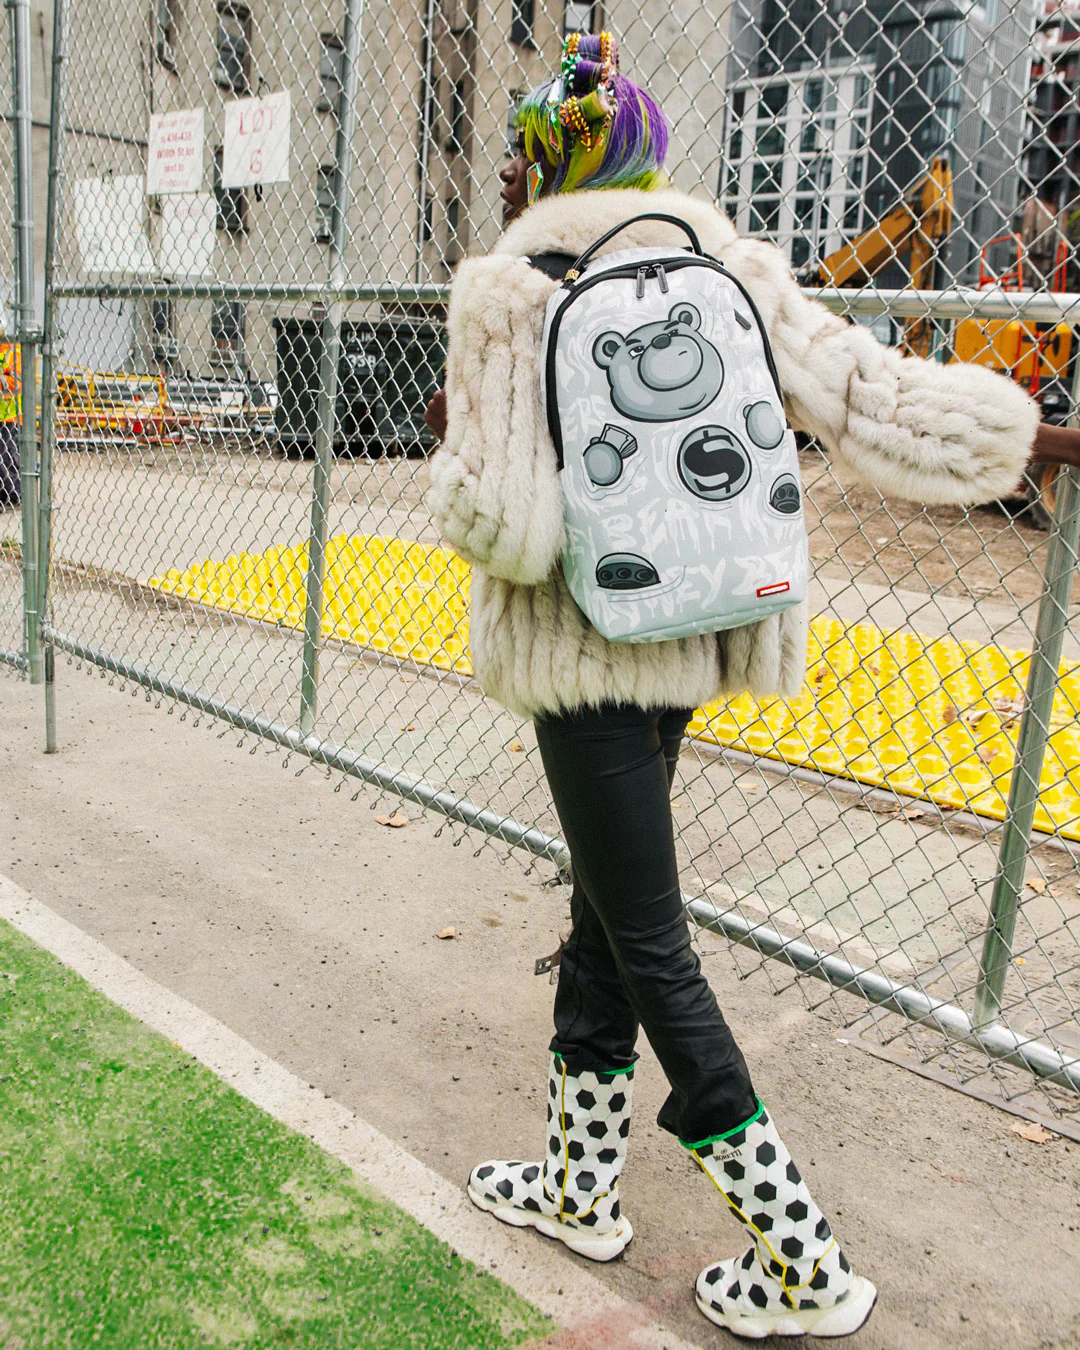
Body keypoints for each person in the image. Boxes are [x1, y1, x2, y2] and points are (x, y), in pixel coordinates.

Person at [425, 33, 1049, 1340]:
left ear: (543, 168)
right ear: (646, 156)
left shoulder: (510, 288)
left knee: (651, 943)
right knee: (607, 916)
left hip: (586, 651)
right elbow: (865, 395)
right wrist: (1006, 431)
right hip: (701, 623)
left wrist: (457, 481)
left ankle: (801, 1258)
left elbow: (509, 531)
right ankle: (580, 1184)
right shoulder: (725, 257)